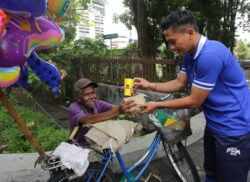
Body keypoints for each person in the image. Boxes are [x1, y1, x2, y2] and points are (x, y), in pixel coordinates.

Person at [134, 9, 250, 182]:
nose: (171, 47)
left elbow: (195, 101)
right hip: (214, 125)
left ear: (189, 33)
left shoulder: (210, 55)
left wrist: (157, 105)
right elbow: (180, 83)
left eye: (173, 41)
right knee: (211, 173)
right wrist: (149, 85)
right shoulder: (189, 55)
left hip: (233, 129)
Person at [68, 78, 135, 147]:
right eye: (87, 94)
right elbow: (86, 120)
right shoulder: (74, 107)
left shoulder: (98, 103)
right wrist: (118, 110)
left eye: (93, 93)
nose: (92, 97)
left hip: (98, 144)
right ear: (79, 97)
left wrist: (128, 97)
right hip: (80, 146)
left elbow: (116, 109)